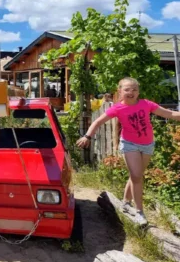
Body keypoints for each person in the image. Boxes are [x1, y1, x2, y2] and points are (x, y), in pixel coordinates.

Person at [76, 77, 180, 226]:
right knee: (137, 176)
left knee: (136, 176)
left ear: (138, 92)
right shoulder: (118, 108)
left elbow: (169, 114)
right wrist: (87, 136)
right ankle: (139, 213)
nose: (131, 92)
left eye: (134, 89)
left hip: (148, 144)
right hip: (129, 144)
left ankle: (125, 202)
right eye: (127, 89)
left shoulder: (146, 104)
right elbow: (98, 121)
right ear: (120, 91)